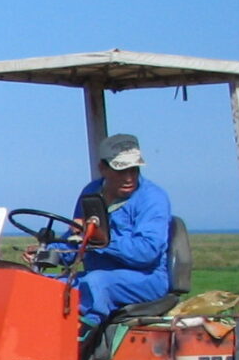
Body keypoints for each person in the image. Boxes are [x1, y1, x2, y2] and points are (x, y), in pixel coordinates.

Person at [62, 132, 173, 323]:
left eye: (134, 170)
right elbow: (77, 238)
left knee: (95, 284)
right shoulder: (91, 192)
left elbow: (147, 252)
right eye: (121, 170)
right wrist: (50, 251)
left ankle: (80, 345)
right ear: (102, 168)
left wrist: (101, 238)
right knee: (48, 284)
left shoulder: (153, 199)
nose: (129, 178)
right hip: (100, 273)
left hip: (146, 278)